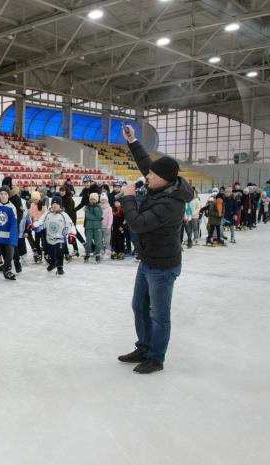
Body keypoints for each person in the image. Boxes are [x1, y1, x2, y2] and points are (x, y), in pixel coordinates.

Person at [118, 125, 192, 374]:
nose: (147, 175)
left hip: (163, 266)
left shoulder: (171, 204)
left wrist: (128, 197)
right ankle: (144, 347)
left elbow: (138, 224)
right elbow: (146, 164)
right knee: (139, 306)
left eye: (151, 174)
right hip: (148, 260)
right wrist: (133, 141)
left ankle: (156, 358)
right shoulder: (162, 185)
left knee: (159, 314)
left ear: (163, 178)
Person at [34, 197, 72, 275]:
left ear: (60, 205)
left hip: (60, 239)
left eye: (56, 204)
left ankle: (60, 267)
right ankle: (53, 263)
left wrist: (70, 233)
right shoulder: (48, 213)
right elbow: (41, 221)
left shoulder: (64, 215)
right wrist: (35, 225)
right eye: (53, 204)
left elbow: (70, 224)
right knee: (51, 253)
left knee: (59, 253)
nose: (54, 205)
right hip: (49, 238)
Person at [27, 191, 47, 263]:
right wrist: (28, 208)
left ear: (39, 199)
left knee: (44, 241)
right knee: (37, 241)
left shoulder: (42, 204)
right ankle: (39, 255)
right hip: (36, 226)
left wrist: (44, 206)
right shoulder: (32, 205)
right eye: (33, 199)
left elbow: (45, 214)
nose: (35, 201)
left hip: (43, 225)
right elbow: (30, 215)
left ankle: (46, 254)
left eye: (36, 199)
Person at [84, 192, 103, 262]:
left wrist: (95, 208)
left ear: (97, 200)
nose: (92, 201)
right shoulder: (87, 207)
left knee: (98, 242)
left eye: (94, 199)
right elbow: (88, 216)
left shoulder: (99, 207)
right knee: (88, 242)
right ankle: (87, 253)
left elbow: (99, 216)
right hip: (89, 227)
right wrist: (96, 218)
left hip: (97, 227)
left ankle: (97, 254)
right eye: (91, 199)